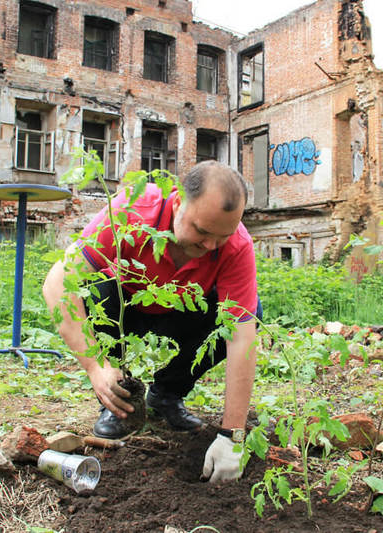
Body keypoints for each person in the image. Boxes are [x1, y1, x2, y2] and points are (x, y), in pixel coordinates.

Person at [42, 160, 261, 483]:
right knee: (95, 291)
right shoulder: (133, 210)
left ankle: (167, 394)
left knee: (250, 312)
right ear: (177, 202)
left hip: (185, 314)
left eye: (222, 237)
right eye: (201, 231)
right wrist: (95, 365)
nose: (211, 246)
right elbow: (57, 282)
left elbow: (242, 336)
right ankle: (117, 399)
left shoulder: (237, 245)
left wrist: (233, 435)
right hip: (125, 304)